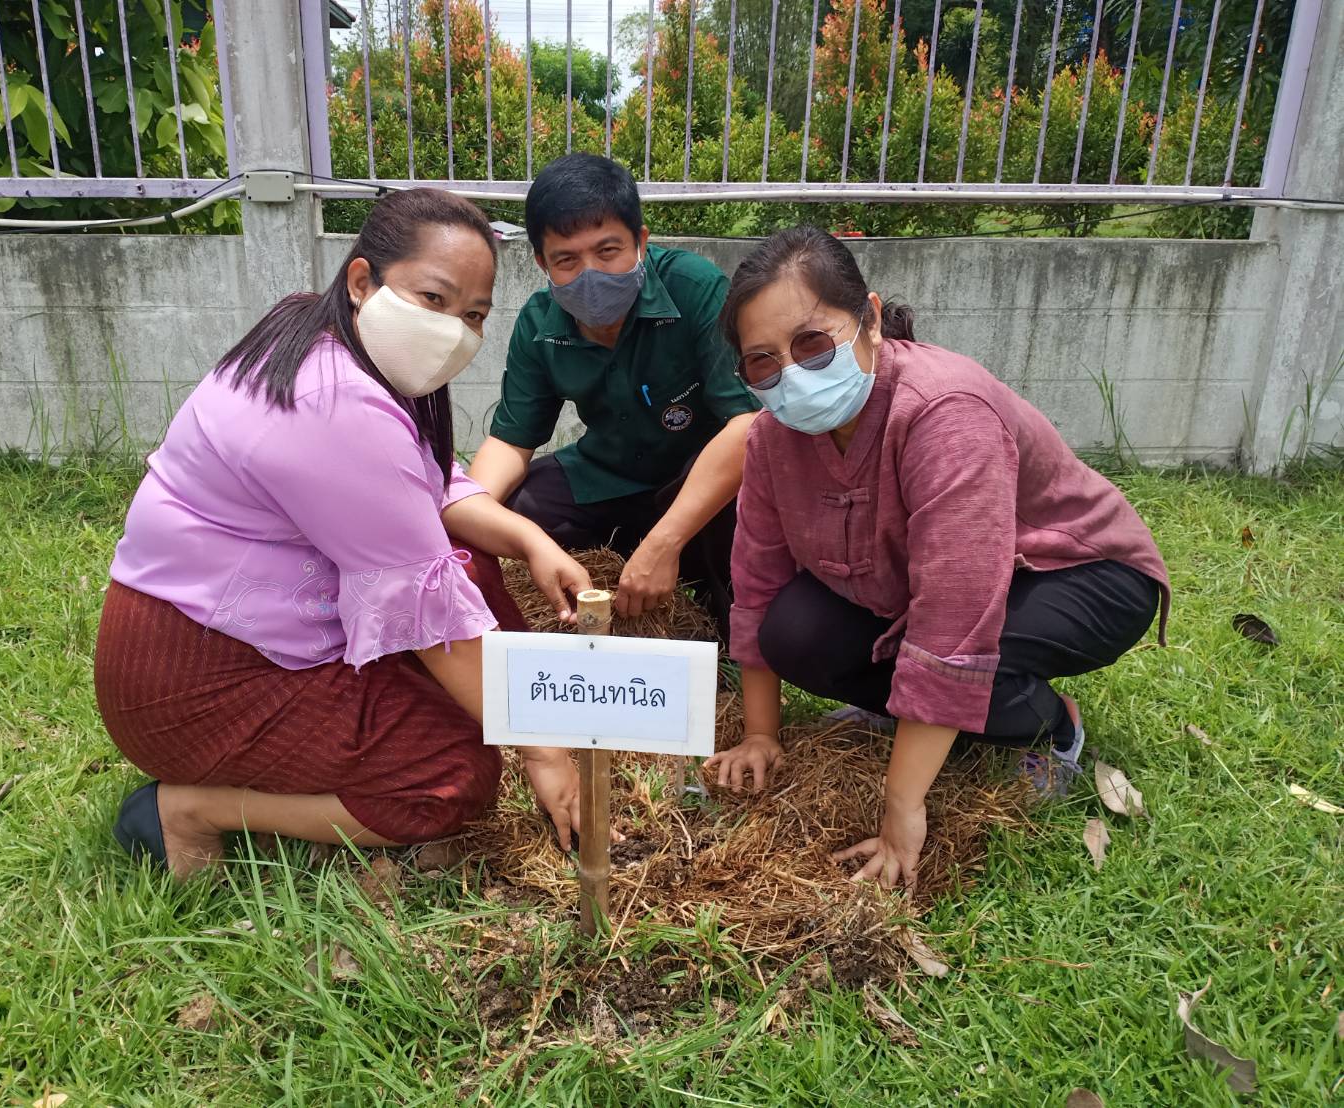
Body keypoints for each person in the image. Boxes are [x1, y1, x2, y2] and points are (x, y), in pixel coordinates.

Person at [94, 188, 593, 878]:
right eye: (434, 299)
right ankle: (193, 809)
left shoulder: (320, 335)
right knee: (448, 779)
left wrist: (530, 540)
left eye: (474, 315)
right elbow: (425, 612)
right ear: (363, 281)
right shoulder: (330, 400)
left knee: (469, 590)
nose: (455, 332)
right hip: (197, 680)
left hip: (241, 637)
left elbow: (423, 484)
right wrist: (542, 750)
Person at [703, 226, 1170, 892]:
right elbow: (755, 583)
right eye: (762, 362)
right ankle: (916, 712)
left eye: (810, 343)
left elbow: (954, 621)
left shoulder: (943, 412)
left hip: (1075, 574)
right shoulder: (774, 442)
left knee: (970, 654)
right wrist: (759, 734)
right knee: (792, 631)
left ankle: (1044, 724)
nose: (790, 375)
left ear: (867, 318)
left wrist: (901, 806)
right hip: (930, 589)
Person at [467, 154, 759, 631]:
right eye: (567, 260)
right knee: (521, 503)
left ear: (640, 242)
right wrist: (472, 506)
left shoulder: (695, 289)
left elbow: (746, 425)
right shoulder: (539, 323)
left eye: (608, 251)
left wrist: (663, 543)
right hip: (606, 476)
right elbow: (511, 441)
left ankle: (720, 624)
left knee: (738, 496)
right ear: (541, 262)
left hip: (694, 479)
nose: (591, 274)